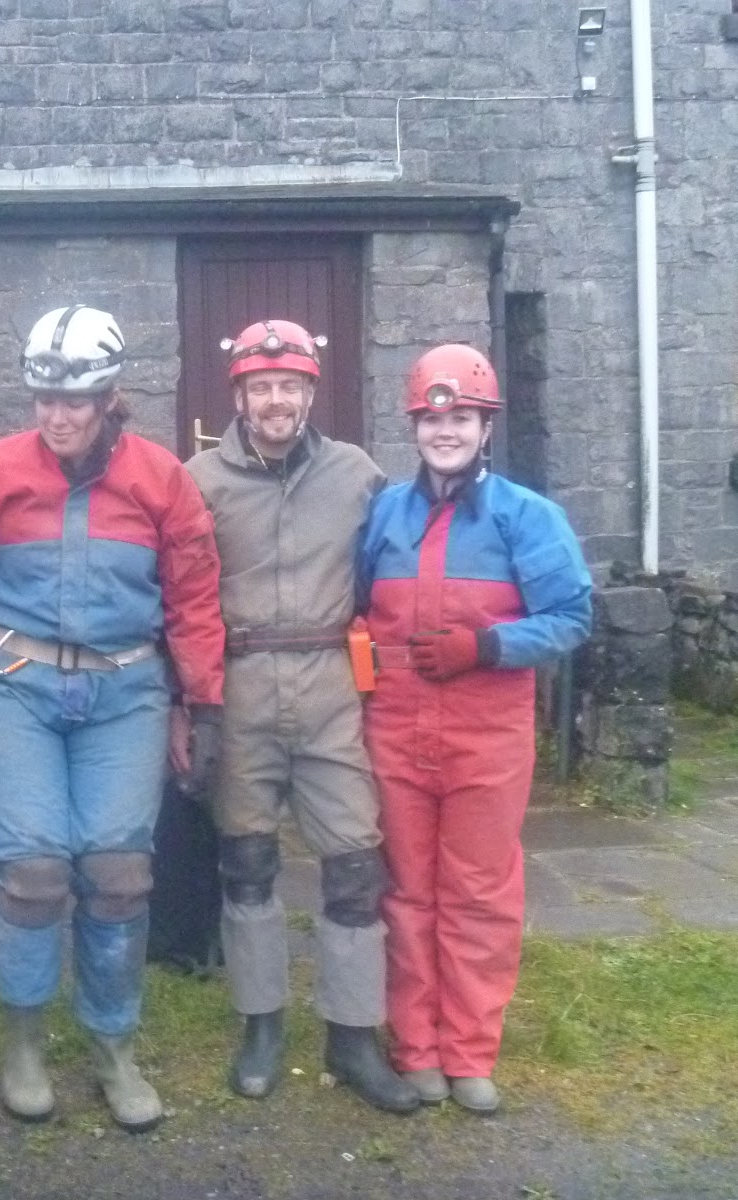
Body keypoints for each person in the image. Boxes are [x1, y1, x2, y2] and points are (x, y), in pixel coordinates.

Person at [0, 304, 225, 1132]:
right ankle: (23, 1041)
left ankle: (114, 1045)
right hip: (17, 685)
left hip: (126, 692)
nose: (56, 416)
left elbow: (192, 599)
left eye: (74, 401)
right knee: (33, 873)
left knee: (119, 875)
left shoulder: (162, 480)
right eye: (44, 398)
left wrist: (204, 703)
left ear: (110, 397)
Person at [181, 320, 419, 1114]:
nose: (276, 400)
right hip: (241, 687)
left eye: (289, 386)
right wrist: (192, 704)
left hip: (329, 689)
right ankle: (262, 1025)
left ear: (311, 392)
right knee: (247, 863)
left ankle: (353, 1037)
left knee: (355, 866)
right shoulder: (198, 481)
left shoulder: (358, 474)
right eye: (261, 387)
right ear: (240, 395)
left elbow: (394, 568)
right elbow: (179, 592)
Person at [357, 343, 591, 1114]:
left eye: (462, 418)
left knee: (479, 892)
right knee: (406, 892)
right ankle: (415, 1047)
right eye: (433, 418)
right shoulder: (384, 514)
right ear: (414, 426)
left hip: (487, 735)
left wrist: (488, 646)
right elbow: (353, 607)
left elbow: (571, 617)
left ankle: (468, 1050)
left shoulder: (530, 518)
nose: (446, 430)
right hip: (396, 729)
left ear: (486, 427)